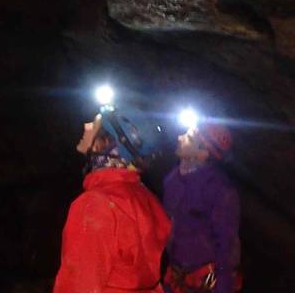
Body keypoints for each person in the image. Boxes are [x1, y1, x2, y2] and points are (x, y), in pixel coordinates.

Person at [54, 100, 171, 293]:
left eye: (95, 124)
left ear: (107, 143)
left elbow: (77, 286)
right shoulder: (145, 197)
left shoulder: (95, 205)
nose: (87, 126)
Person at [163, 121, 241, 293]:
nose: (179, 138)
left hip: (203, 284)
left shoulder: (220, 191)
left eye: (188, 137)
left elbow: (227, 246)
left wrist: (223, 287)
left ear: (203, 153)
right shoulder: (172, 179)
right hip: (175, 276)